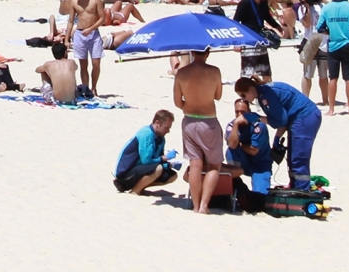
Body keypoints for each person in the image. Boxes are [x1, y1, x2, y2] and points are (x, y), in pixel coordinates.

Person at [236, 76, 321, 188]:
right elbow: (283, 119)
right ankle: (295, 186)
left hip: (304, 117)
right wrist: (277, 138)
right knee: (291, 158)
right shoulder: (262, 94)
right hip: (296, 119)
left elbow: (280, 120)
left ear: (251, 90)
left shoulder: (266, 96)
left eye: (243, 95)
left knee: (298, 158)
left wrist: (258, 118)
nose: (244, 99)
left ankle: (302, 190)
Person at [173, 49, 224, 214]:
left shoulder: (181, 73)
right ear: (207, 53)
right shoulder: (214, 71)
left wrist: (187, 106)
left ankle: (195, 206)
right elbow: (218, 96)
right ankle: (204, 205)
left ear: (192, 53)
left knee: (195, 164)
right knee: (214, 165)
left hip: (189, 120)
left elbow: (177, 102)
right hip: (208, 120)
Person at [114, 111, 178, 194]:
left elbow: (158, 158)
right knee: (158, 169)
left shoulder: (161, 139)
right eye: (166, 128)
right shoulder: (146, 134)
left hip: (139, 170)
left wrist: (170, 164)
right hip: (124, 176)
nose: (168, 131)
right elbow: (146, 161)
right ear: (157, 123)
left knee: (172, 176)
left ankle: (141, 186)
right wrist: (165, 158)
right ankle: (135, 191)